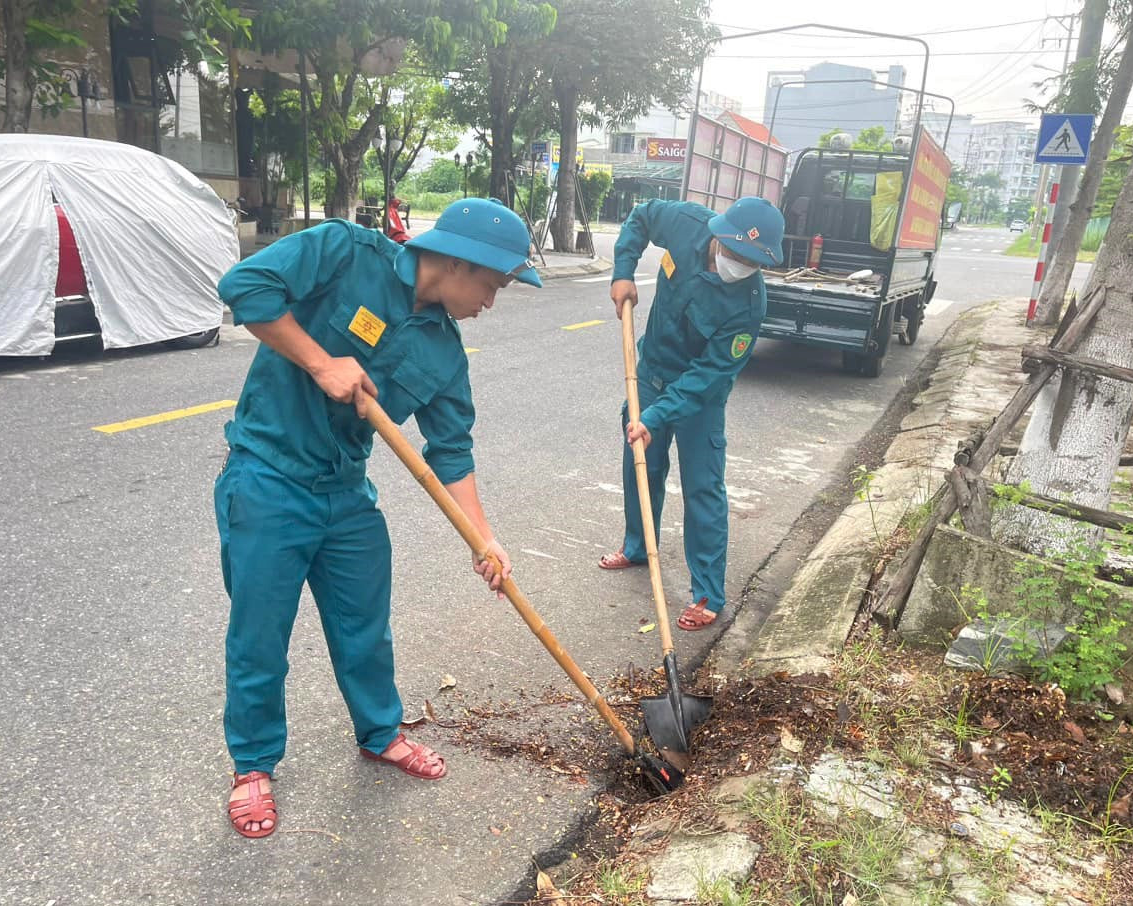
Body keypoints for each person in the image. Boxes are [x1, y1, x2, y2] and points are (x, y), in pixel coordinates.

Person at [214, 198, 540, 839]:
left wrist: (483, 538)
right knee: (260, 635)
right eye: (492, 285)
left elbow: (452, 450)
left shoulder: (445, 351)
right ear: (454, 261)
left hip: (344, 491)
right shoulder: (343, 252)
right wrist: (319, 360)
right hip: (268, 475)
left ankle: (379, 733)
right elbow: (242, 286)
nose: (491, 302)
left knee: (365, 626)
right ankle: (253, 766)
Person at [597, 196, 785, 631]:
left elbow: (709, 376)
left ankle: (707, 593)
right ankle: (639, 545)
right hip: (651, 371)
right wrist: (622, 273)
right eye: (735, 254)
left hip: (698, 396)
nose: (739, 265)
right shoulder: (685, 223)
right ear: (718, 235)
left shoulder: (749, 306)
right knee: (641, 464)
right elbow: (639, 215)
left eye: (752, 262)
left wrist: (658, 416)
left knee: (703, 487)